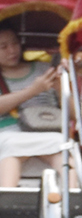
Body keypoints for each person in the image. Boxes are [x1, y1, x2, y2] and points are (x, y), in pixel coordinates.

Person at [0, 22, 61, 187]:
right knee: (12, 146)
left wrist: (60, 88)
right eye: (3, 47)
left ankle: (73, 196)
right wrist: (33, 90)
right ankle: (5, 199)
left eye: (14, 43)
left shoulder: (44, 68)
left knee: (62, 147)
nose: (12, 50)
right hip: (9, 131)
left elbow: (73, 113)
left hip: (47, 128)